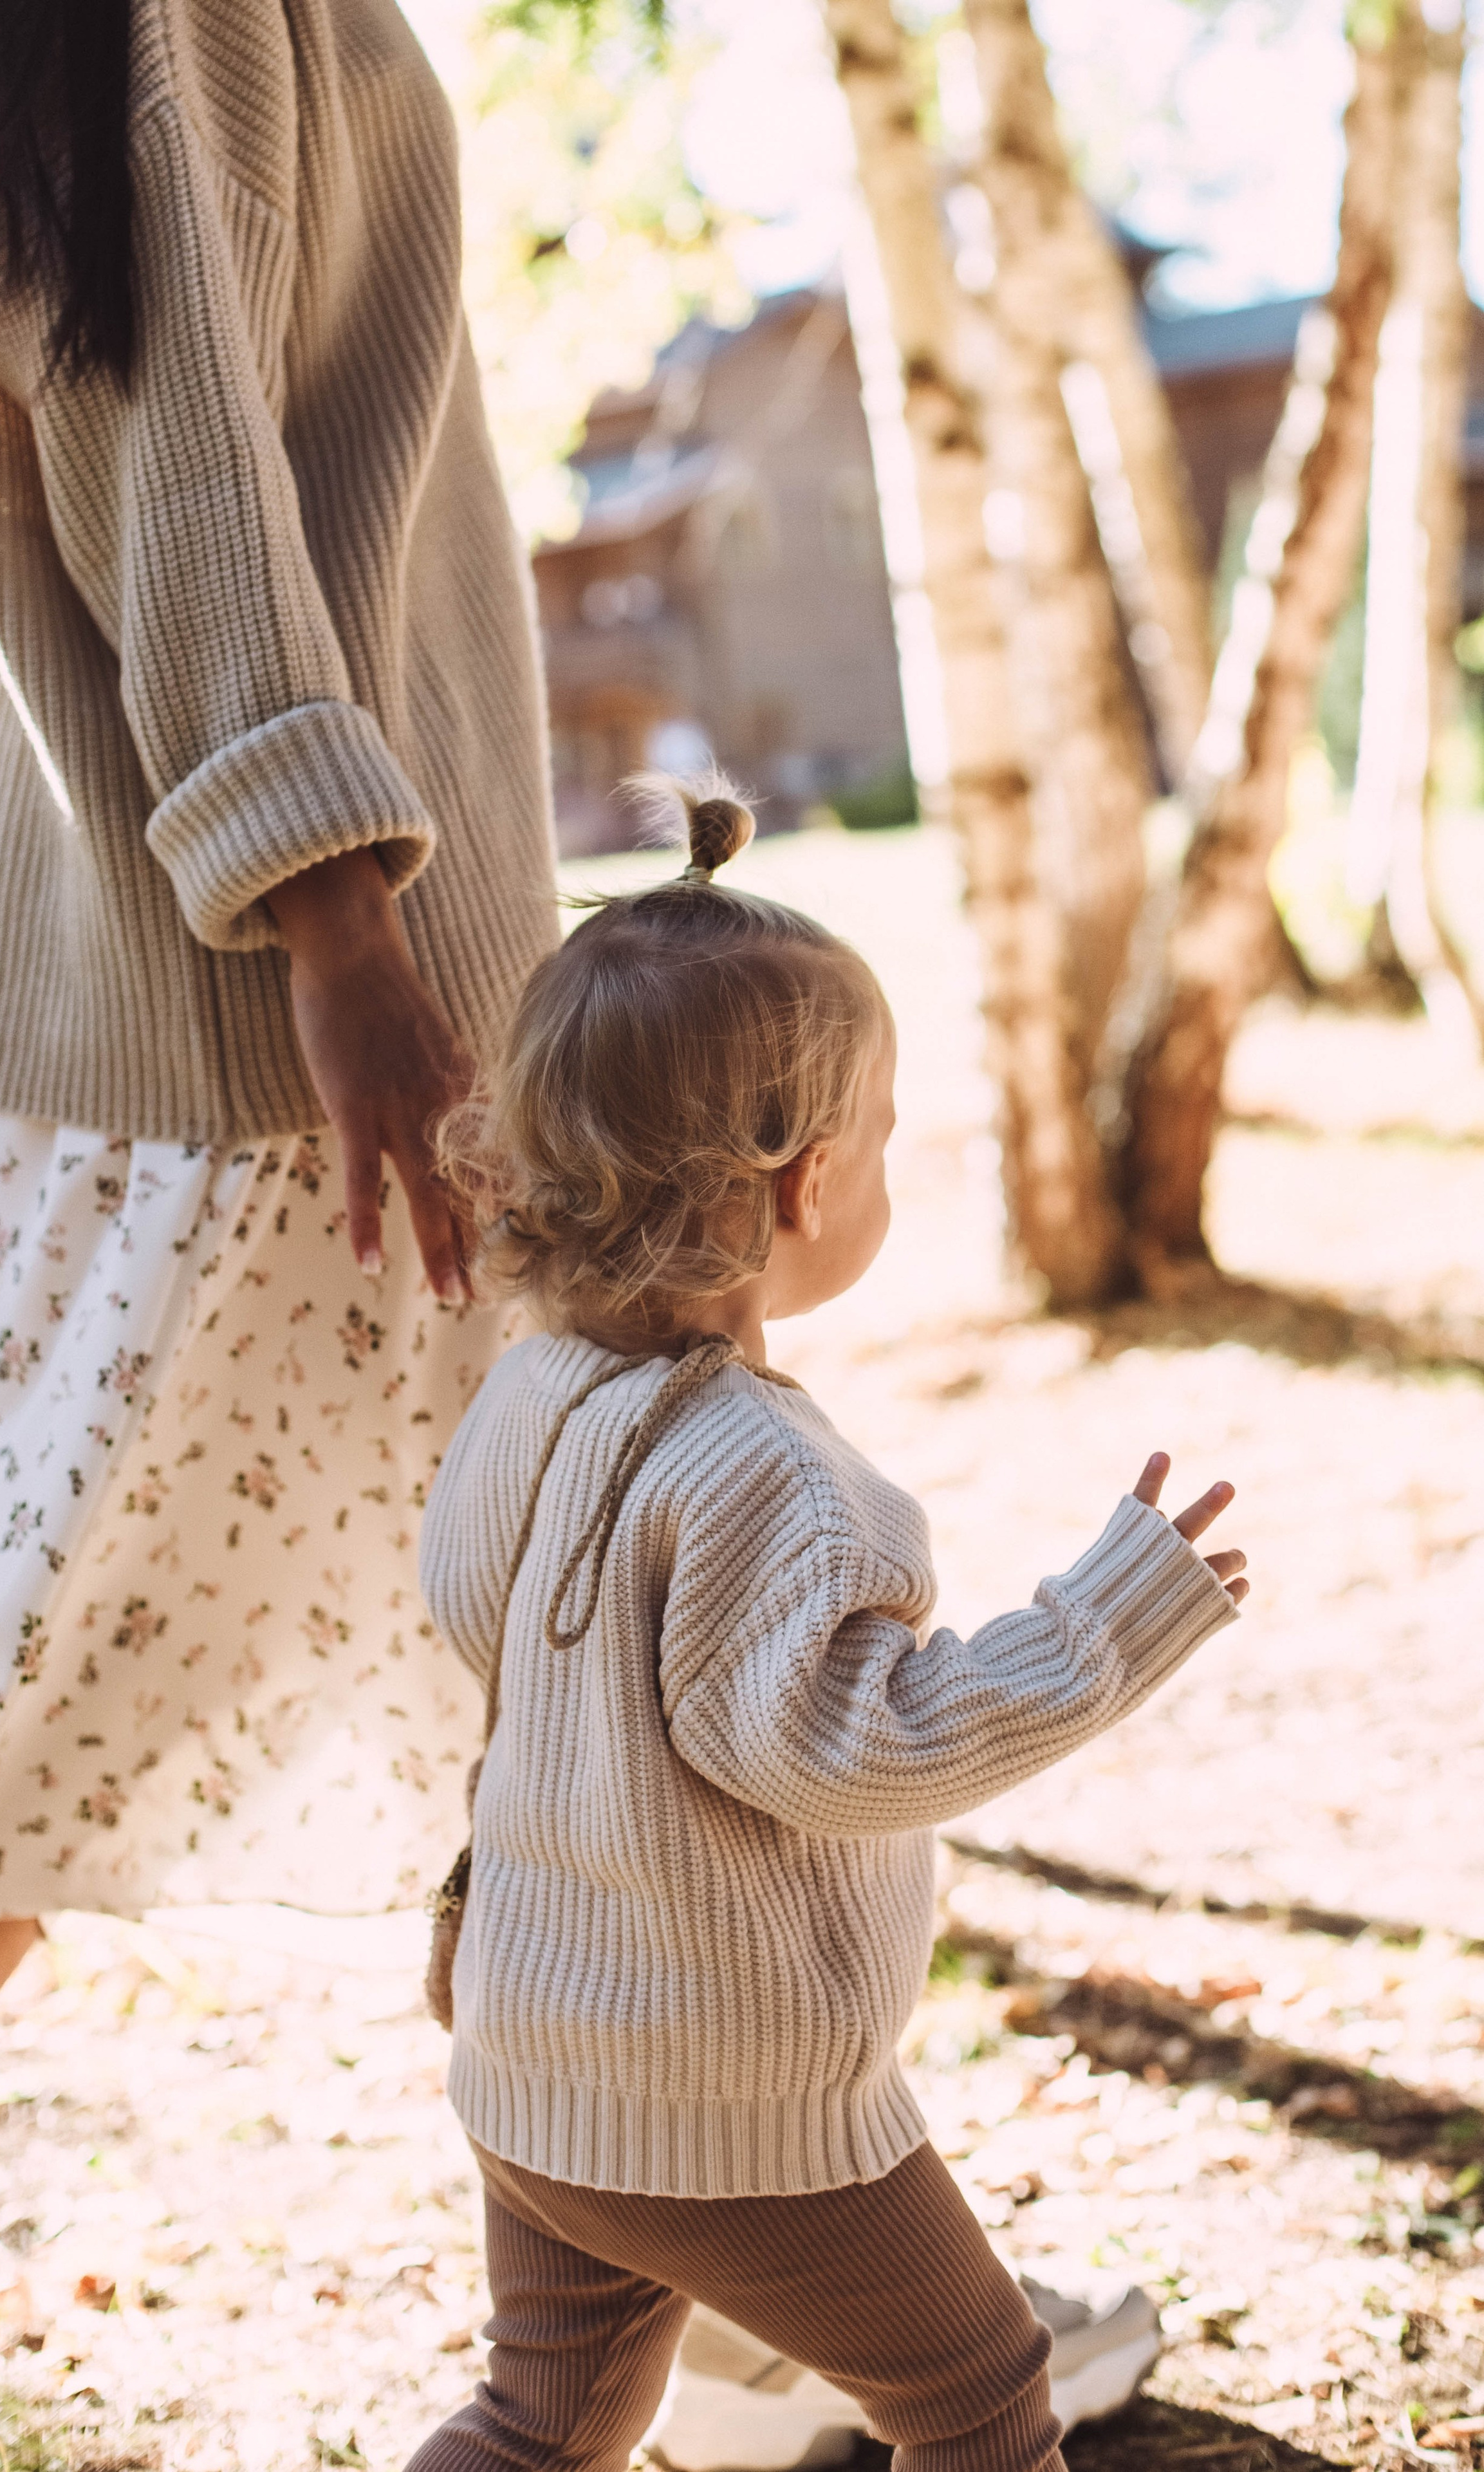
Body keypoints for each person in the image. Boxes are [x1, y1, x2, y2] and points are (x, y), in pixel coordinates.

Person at [0, 0, 557, 2236]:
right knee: (594, 1682)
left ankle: (700, 2307)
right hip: (276, 1044)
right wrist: (330, 917)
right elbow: (179, 459)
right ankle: (731, 2291)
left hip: (92, 1034)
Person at [410, 779, 1247, 2472]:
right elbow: (875, 1742)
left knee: (543, 2414)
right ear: (800, 1186)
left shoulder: (530, 1391)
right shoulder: (761, 1471)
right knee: (976, 2392)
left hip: (531, 2054)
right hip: (734, 2112)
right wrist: (1107, 1616)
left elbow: (462, 1599)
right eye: (883, 1131)